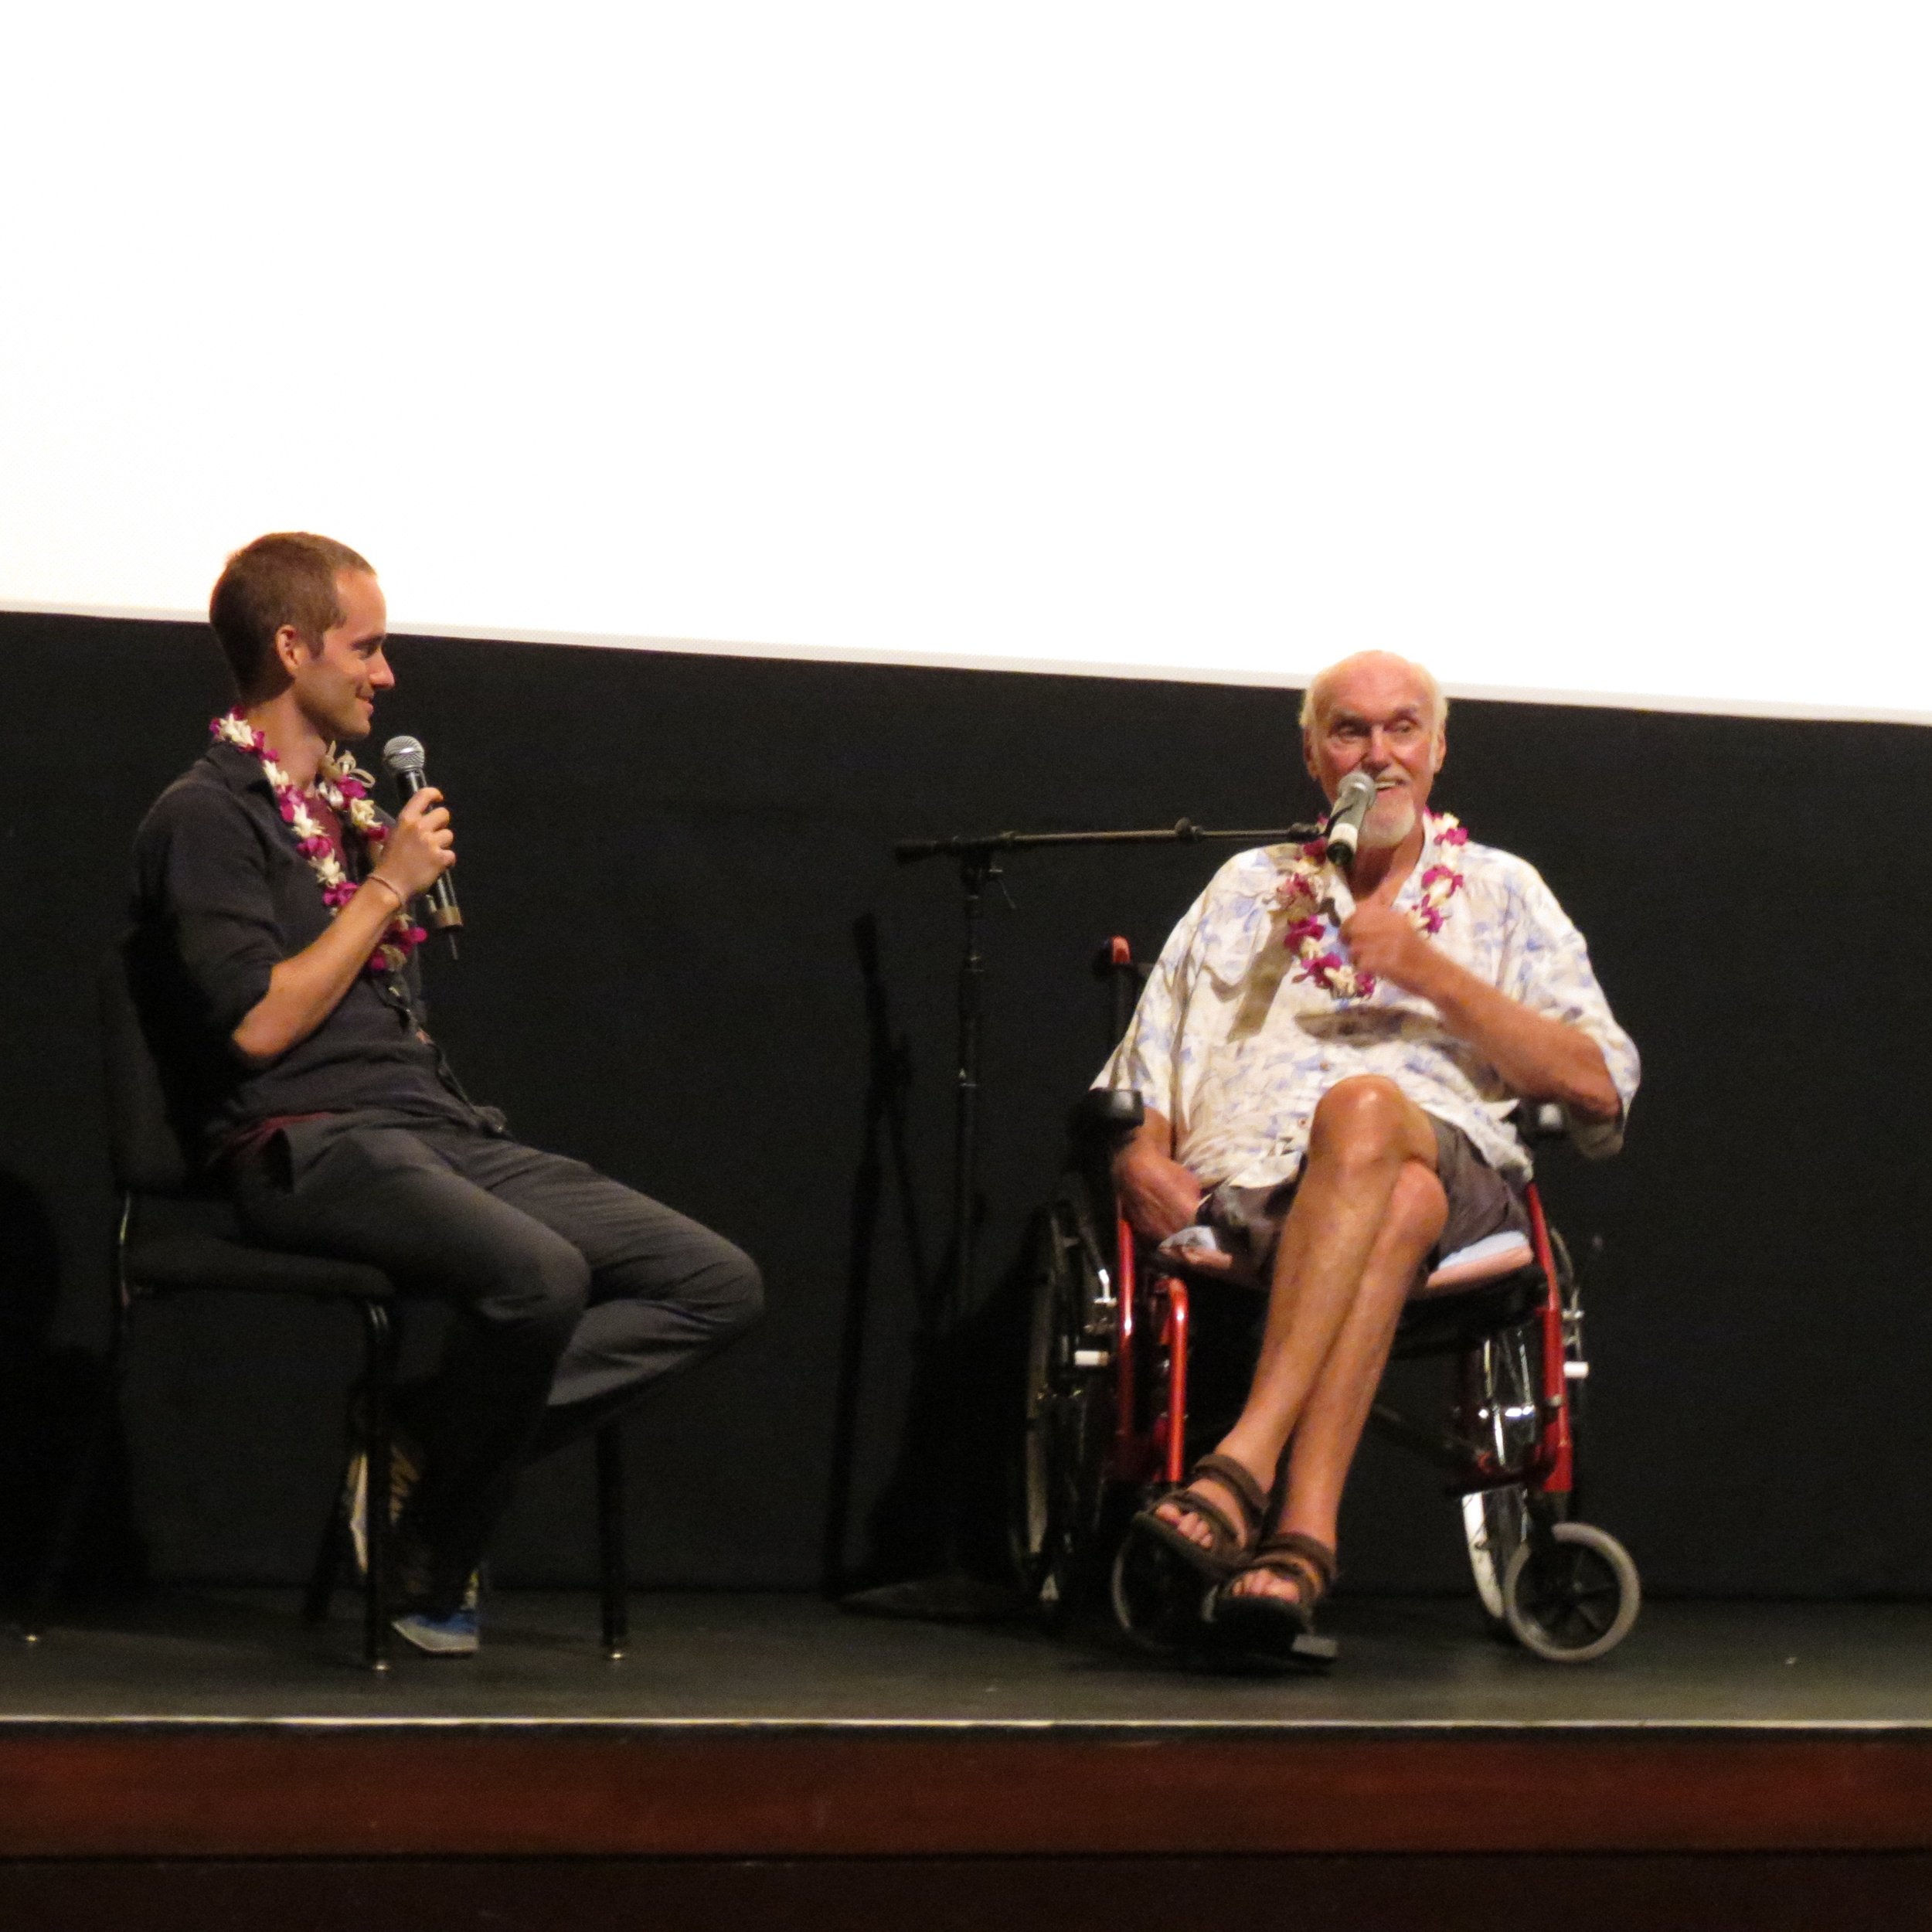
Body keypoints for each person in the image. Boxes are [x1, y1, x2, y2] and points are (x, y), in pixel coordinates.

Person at [130, 532, 762, 1655]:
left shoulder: (355, 807)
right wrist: (384, 889)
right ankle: (434, 1547)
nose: (387, 674)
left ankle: (421, 1432)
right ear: (292, 647)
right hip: (305, 1145)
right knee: (538, 1275)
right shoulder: (207, 814)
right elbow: (259, 1023)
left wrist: (380, 871)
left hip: (432, 1130)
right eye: (366, 648)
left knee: (713, 1282)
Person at [1100, 650, 1637, 1655]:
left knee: (1362, 1107)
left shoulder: (1503, 891)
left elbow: (1599, 1088)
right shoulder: (1244, 888)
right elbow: (1145, 1066)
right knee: (1393, 1204)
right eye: (1351, 731)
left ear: (1437, 749)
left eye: (1402, 730)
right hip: (1260, 1198)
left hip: (1465, 1181)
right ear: (1314, 755)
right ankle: (1301, 1540)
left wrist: (1432, 972)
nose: (1378, 755)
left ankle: (1238, 1465)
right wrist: (1139, 1156)